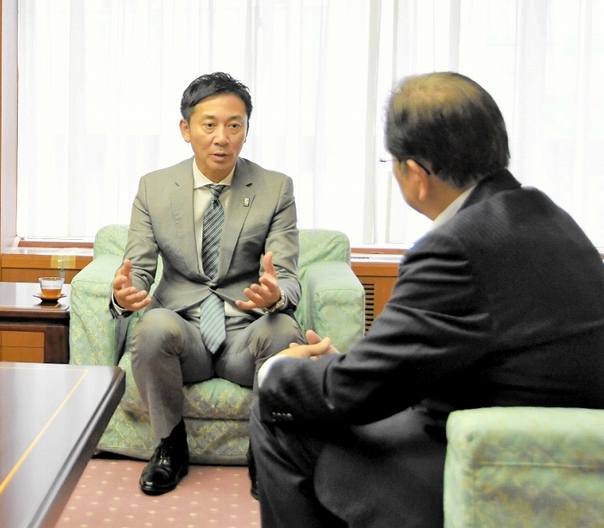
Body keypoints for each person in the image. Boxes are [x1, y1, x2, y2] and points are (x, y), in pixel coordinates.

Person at [250, 71, 604, 527]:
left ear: (415, 174)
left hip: (483, 472)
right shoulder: (546, 215)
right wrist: (360, 364)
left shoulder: (456, 247)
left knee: (279, 411)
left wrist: (275, 369)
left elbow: (351, 394)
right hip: (557, 462)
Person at [112, 72, 305, 496]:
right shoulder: (155, 188)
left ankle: (266, 450)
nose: (223, 138)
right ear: (186, 129)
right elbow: (139, 268)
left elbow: (287, 277)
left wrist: (276, 296)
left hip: (245, 335)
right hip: (185, 341)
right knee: (152, 325)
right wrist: (123, 296)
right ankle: (169, 445)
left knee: (285, 330)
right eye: (210, 124)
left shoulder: (275, 189)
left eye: (234, 125)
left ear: (246, 131)